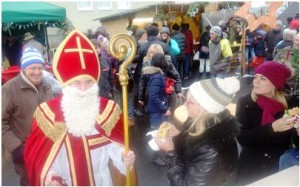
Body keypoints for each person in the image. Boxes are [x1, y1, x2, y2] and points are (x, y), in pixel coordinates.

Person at [24, 30, 136, 186]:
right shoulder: (47, 114)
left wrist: (124, 157)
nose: (83, 88)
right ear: (65, 84)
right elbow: (40, 158)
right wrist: (51, 178)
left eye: (88, 82)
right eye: (76, 83)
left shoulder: (107, 110)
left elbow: (114, 148)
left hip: (101, 182)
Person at [155, 77, 241, 185]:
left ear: (204, 107)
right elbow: (190, 150)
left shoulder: (212, 149)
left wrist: (170, 153)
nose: (184, 105)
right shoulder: (198, 121)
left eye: (189, 102)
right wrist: (178, 134)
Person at [235, 62, 298, 185]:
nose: (255, 82)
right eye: (256, 77)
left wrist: (298, 131)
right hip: (251, 165)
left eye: (263, 78)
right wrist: (272, 128)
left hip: (278, 165)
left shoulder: (292, 104)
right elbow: (243, 138)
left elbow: (296, 142)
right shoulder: (245, 102)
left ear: (275, 83)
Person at [2, 47, 53, 185]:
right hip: (23, 149)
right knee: (29, 181)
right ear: (24, 68)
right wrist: (16, 148)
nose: (37, 72)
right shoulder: (10, 88)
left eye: (40, 68)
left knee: (46, 180)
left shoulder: (46, 86)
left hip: (45, 147)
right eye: (32, 68)